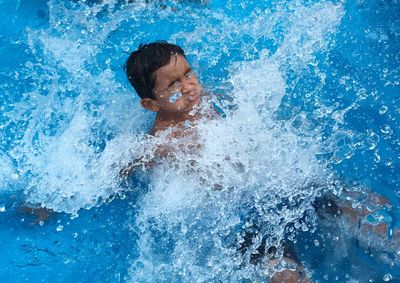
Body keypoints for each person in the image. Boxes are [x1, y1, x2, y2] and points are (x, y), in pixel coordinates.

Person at [122, 40, 309, 282]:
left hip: (271, 190)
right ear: (151, 104)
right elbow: (123, 165)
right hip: (238, 222)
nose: (188, 86)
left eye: (188, 74)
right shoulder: (161, 142)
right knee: (286, 275)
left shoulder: (206, 99)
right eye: (173, 84)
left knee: (355, 205)